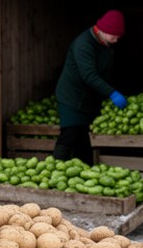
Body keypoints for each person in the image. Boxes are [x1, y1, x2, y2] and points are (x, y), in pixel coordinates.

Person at [53, 10, 129, 165]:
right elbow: (89, 76)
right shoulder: (84, 44)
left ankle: (85, 170)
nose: (116, 40)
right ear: (103, 30)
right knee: (70, 133)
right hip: (71, 97)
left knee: (83, 138)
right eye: (113, 36)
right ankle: (54, 168)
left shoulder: (105, 44)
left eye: (118, 37)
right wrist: (112, 93)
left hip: (89, 98)